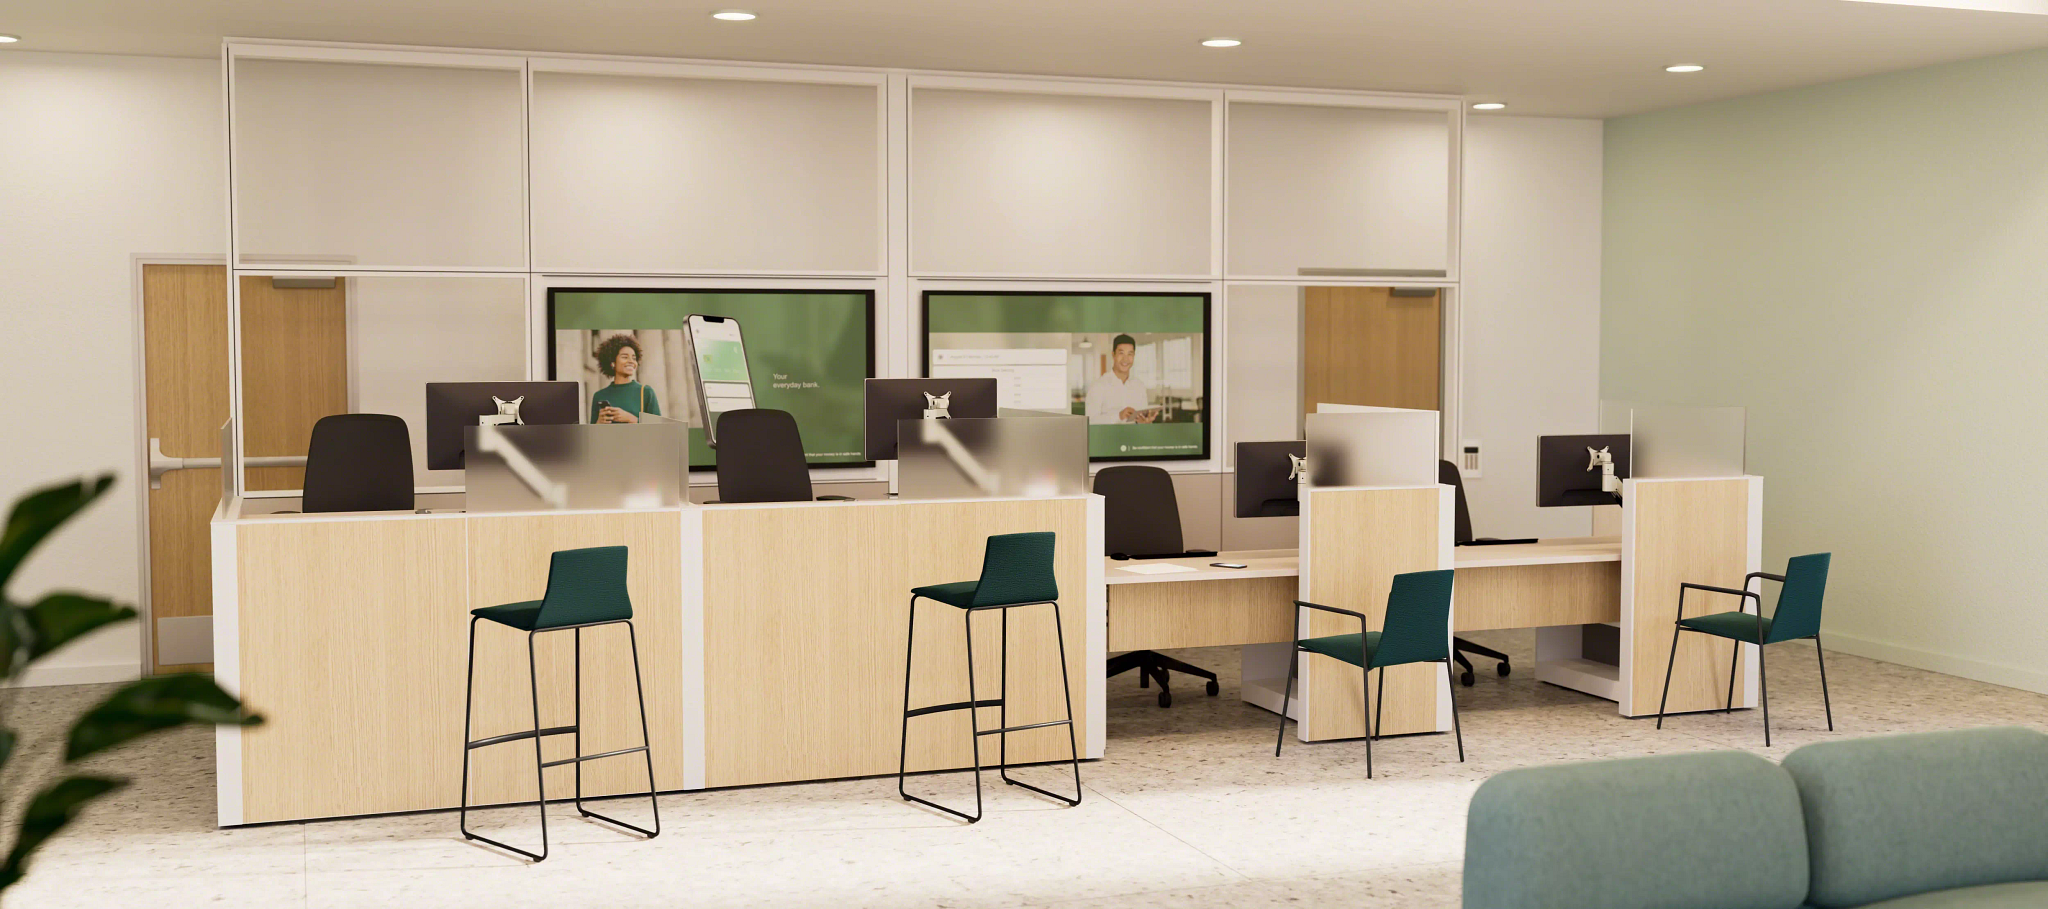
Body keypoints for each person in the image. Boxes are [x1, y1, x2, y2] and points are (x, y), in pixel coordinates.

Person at [1084, 334, 1156, 425]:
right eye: (1121, 353)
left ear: (1134, 356)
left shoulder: (1139, 386)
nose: (1125, 359)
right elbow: (1090, 422)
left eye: (1130, 354)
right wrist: (1118, 416)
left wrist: (1145, 423)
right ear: (1113, 354)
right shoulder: (1098, 386)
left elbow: (1141, 422)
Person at [590, 334, 661, 424]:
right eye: (625, 357)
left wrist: (631, 419)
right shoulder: (599, 396)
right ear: (612, 363)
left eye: (634, 358)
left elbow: (659, 430)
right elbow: (591, 436)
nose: (631, 361)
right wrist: (599, 423)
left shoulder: (646, 392)